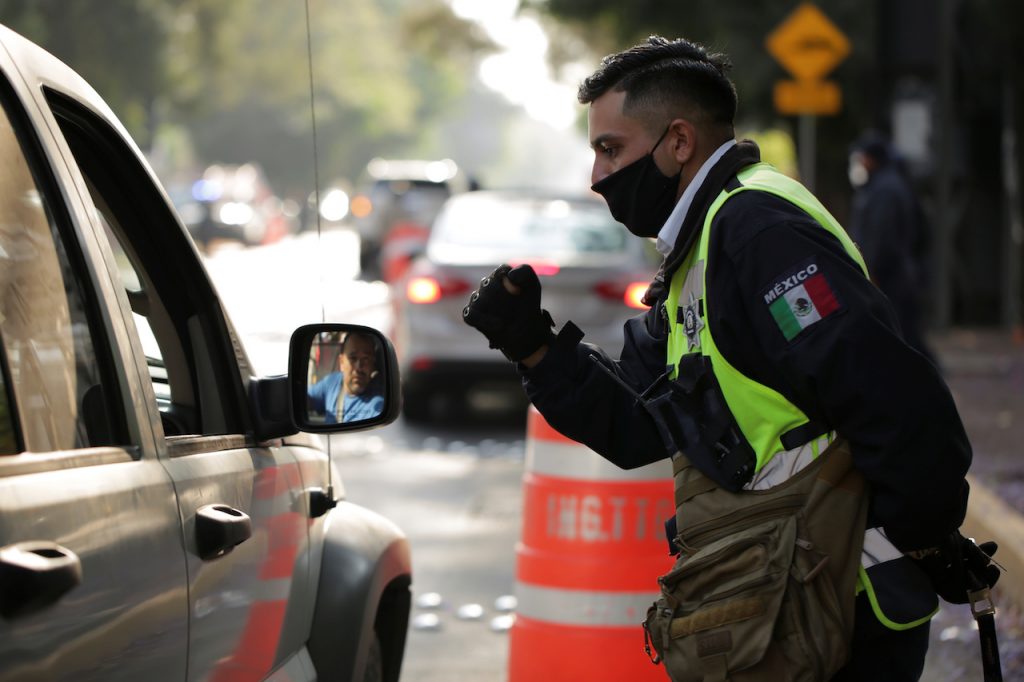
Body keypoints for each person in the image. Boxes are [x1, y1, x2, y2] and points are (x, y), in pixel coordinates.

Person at [463, 36, 999, 681]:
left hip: (841, 606)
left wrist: (922, 539)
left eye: (611, 149)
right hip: (781, 599)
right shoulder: (698, 251)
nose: (598, 176)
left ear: (679, 141)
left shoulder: (759, 234)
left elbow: (894, 397)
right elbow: (635, 426)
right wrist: (534, 348)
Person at [848, 130, 935, 362]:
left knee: (901, 339)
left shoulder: (884, 190)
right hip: (899, 275)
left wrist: (872, 271)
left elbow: (881, 236)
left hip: (891, 278)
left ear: (871, 159)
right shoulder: (889, 184)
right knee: (906, 338)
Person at [307, 331, 383, 423]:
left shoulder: (378, 407)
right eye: (353, 358)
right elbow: (306, 399)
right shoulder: (332, 382)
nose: (359, 367)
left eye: (366, 359)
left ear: (373, 364)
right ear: (341, 362)